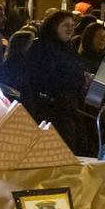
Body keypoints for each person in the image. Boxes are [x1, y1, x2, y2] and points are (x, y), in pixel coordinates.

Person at [24, 9, 89, 154]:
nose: (70, 29)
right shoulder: (41, 48)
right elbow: (38, 78)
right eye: (65, 25)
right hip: (50, 110)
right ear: (54, 27)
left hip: (69, 108)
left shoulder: (67, 48)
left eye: (73, 25)